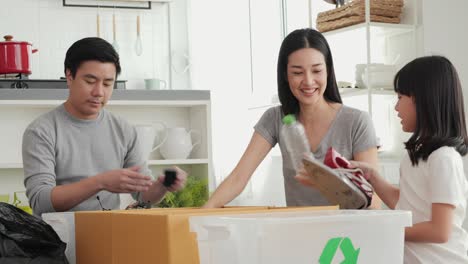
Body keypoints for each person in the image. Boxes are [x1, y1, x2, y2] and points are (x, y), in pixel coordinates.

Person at [204, 28, 380, 208]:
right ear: (285, 75)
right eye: (297, 72)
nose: (309, 81)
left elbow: (373, 202)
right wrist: (199, 216)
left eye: (317, 71)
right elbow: (238, 178)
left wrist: (328, 182)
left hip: (347, 234)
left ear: (328, 71)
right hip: (298, 231)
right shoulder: (275, 118)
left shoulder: (357, 121)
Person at [22, 37, 187, 216]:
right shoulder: (41, 131)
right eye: (90, 81)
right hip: (58, 239)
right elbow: (41, 201)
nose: (99, 92)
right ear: (69, 77)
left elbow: (143, 195)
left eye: (108, 84)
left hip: (108, 234)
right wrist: (99, 182)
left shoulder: (123, 129)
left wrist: (162, 186)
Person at [351, 56, 468, 263]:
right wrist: (372, 177)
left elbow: (440, 231)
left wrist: (386, 229)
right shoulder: (415, 155)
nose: (396, 108)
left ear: (421, 99)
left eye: (399, 97)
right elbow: (407, 206)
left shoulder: (444, 158)